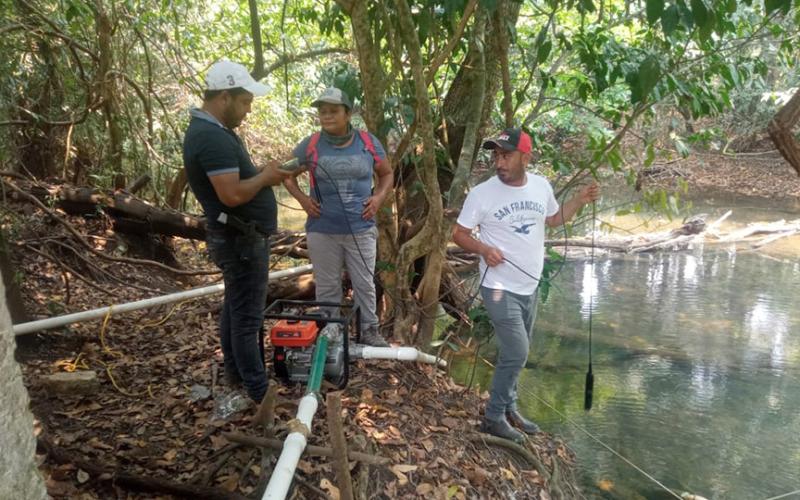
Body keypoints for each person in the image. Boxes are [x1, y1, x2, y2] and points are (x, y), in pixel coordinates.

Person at [452, 127, 600, 443]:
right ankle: (493, 417)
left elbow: (554, 220)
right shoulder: (482, 194)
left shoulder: (541, 186)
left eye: (506, 155)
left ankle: (509, 407)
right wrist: (483, 249)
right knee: (518, 350)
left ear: (526, 158)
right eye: (496, 155)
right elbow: (459, 234)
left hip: (529, 285)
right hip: (498, 286)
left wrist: (579, 200)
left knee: (517, 351)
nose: (499, 162)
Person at [183, 60, 298, 403]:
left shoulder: (213, 132)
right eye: (245, 102)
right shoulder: (211, 137)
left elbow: (235, 181)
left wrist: (264, 173)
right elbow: (231, 195)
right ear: (224, 97)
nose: (248, 110)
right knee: (248, 319)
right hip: (240, 240)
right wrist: (265, 178)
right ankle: (259, 393)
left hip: (237, 237)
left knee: (236, 309)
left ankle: (236, 379)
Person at [283, 87, 393, 347]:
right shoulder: (310, 145)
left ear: (348, 114)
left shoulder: (367, 142)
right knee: (327, 284)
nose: (327, 116)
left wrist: (378, 198)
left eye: (333, 111)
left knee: (364, 283)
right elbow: (285, 173)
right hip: (322, 229)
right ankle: (331, 330)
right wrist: (303, 200)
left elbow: (387, 174)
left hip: (361, 228)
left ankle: (369, 331)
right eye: (323, 111)